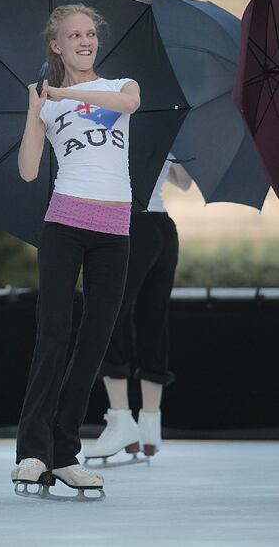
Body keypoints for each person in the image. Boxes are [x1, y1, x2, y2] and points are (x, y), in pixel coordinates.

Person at [11, 4, 140, 498]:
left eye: (90, 34)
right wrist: (35, 110)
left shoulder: (120, 86)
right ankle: (32, 453)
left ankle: (65, 453)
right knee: (54, 335)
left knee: (94, 342)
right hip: (65, 223)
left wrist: (62, 93)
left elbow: (129, 107)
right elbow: (27, 170)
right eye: (74, 35)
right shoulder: (47, 103)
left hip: (115, 227)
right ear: (56, 45)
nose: (85, 41)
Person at [83, 159, 191, 463]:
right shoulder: (163, 117)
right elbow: (184, 182)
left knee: (108, 314)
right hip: (163, 227)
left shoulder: (119, 117)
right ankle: (149, 425)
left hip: (128, 223)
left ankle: (120, 420)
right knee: (153, 320)